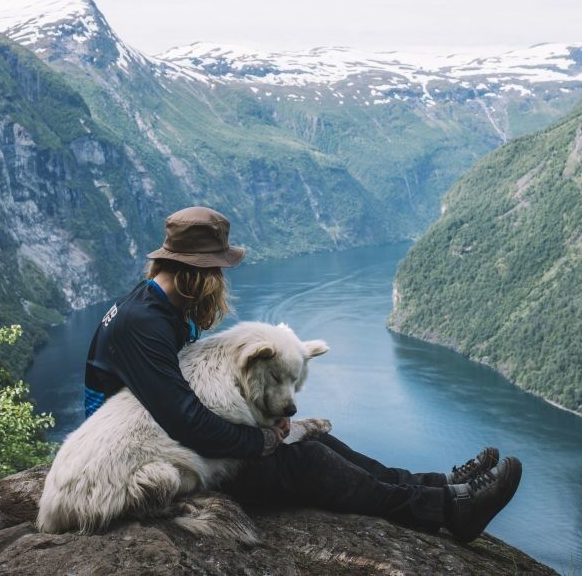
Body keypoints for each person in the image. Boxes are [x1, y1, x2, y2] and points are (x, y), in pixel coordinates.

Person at [82, 206, 522, 542]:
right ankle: (448, 511)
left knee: (316, 441)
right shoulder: (144, 324)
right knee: (307, 460)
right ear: (197, 271)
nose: (221, 280)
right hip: (139, 461)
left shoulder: (159, 308)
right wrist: (261, 439)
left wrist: (268, 424)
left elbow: (189, 400)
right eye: (217, 269)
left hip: (161, 439)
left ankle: (441, 486)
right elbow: (185, 420)